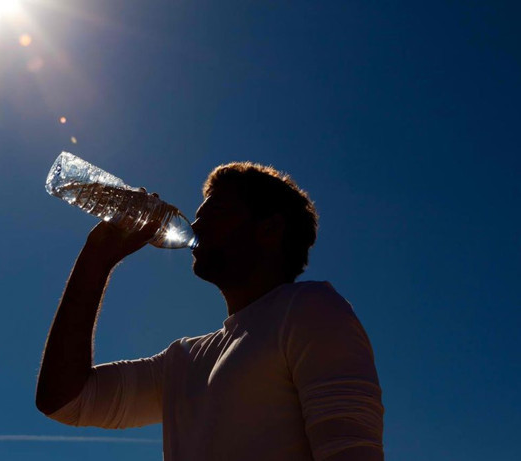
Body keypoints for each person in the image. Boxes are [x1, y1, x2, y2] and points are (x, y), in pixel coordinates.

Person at [35, 162, 384, 461]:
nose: (196, 226)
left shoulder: (310, 309)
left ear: (270, 229)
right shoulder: (183, 360)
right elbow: (64, 400)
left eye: (216, 213)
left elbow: (351, 451)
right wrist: (97, 257)